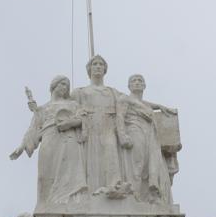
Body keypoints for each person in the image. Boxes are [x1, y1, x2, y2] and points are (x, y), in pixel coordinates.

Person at [10, 76, 87, 207]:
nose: (64, 87)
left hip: (69, 140)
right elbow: (33, 128)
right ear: (53, 86)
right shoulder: (43, 109)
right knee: (44, 174)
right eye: (62, 84)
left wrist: (69, 123)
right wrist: (22, 146)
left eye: (66, 86)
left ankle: (72, 205)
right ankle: (44, 205)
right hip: (49, 138)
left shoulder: (73, 105)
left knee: (69, 174)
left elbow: (83, 120)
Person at [71, 55, 130, 198]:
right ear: (89, 69)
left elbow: (132, 102)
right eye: (94, 64)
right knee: (92, 160)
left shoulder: (113, 92)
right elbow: (67, 108)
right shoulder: (80, 92)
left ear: (105, 69)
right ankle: (91, 193)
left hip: (108, 127)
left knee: (111, 156)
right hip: (89, 129)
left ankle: (113, 187)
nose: (98, 66)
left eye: (100, 64)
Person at [119, 74, 175, 204]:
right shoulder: (124, 99)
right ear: (129, 86)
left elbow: (142, 103)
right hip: (134, 130)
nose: (137, 83)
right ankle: (134, 195)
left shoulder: (142, 104)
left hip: (149, 133)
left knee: (149, 165)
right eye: (134, 81)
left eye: (140, 81)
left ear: (144, 85)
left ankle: (148, 196)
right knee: (136, 164)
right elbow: (120, 117)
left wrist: (160, 106)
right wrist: (122, 135)